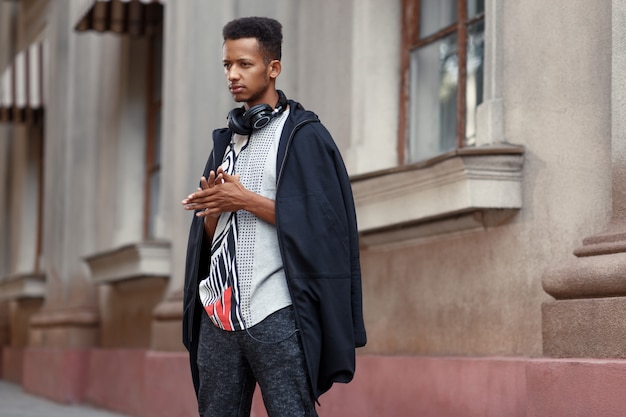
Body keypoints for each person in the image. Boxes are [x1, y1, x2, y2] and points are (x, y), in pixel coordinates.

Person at [181, 16, 366, 417]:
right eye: (227, 65)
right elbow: (214, 238)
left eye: (244, 64)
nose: (233, 74)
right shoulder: (226, 141)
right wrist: (212, 212)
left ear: (273, 68)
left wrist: (244, 200)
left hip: (276, 312)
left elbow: (323, 225)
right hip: (219, 313)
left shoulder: (304, 136)